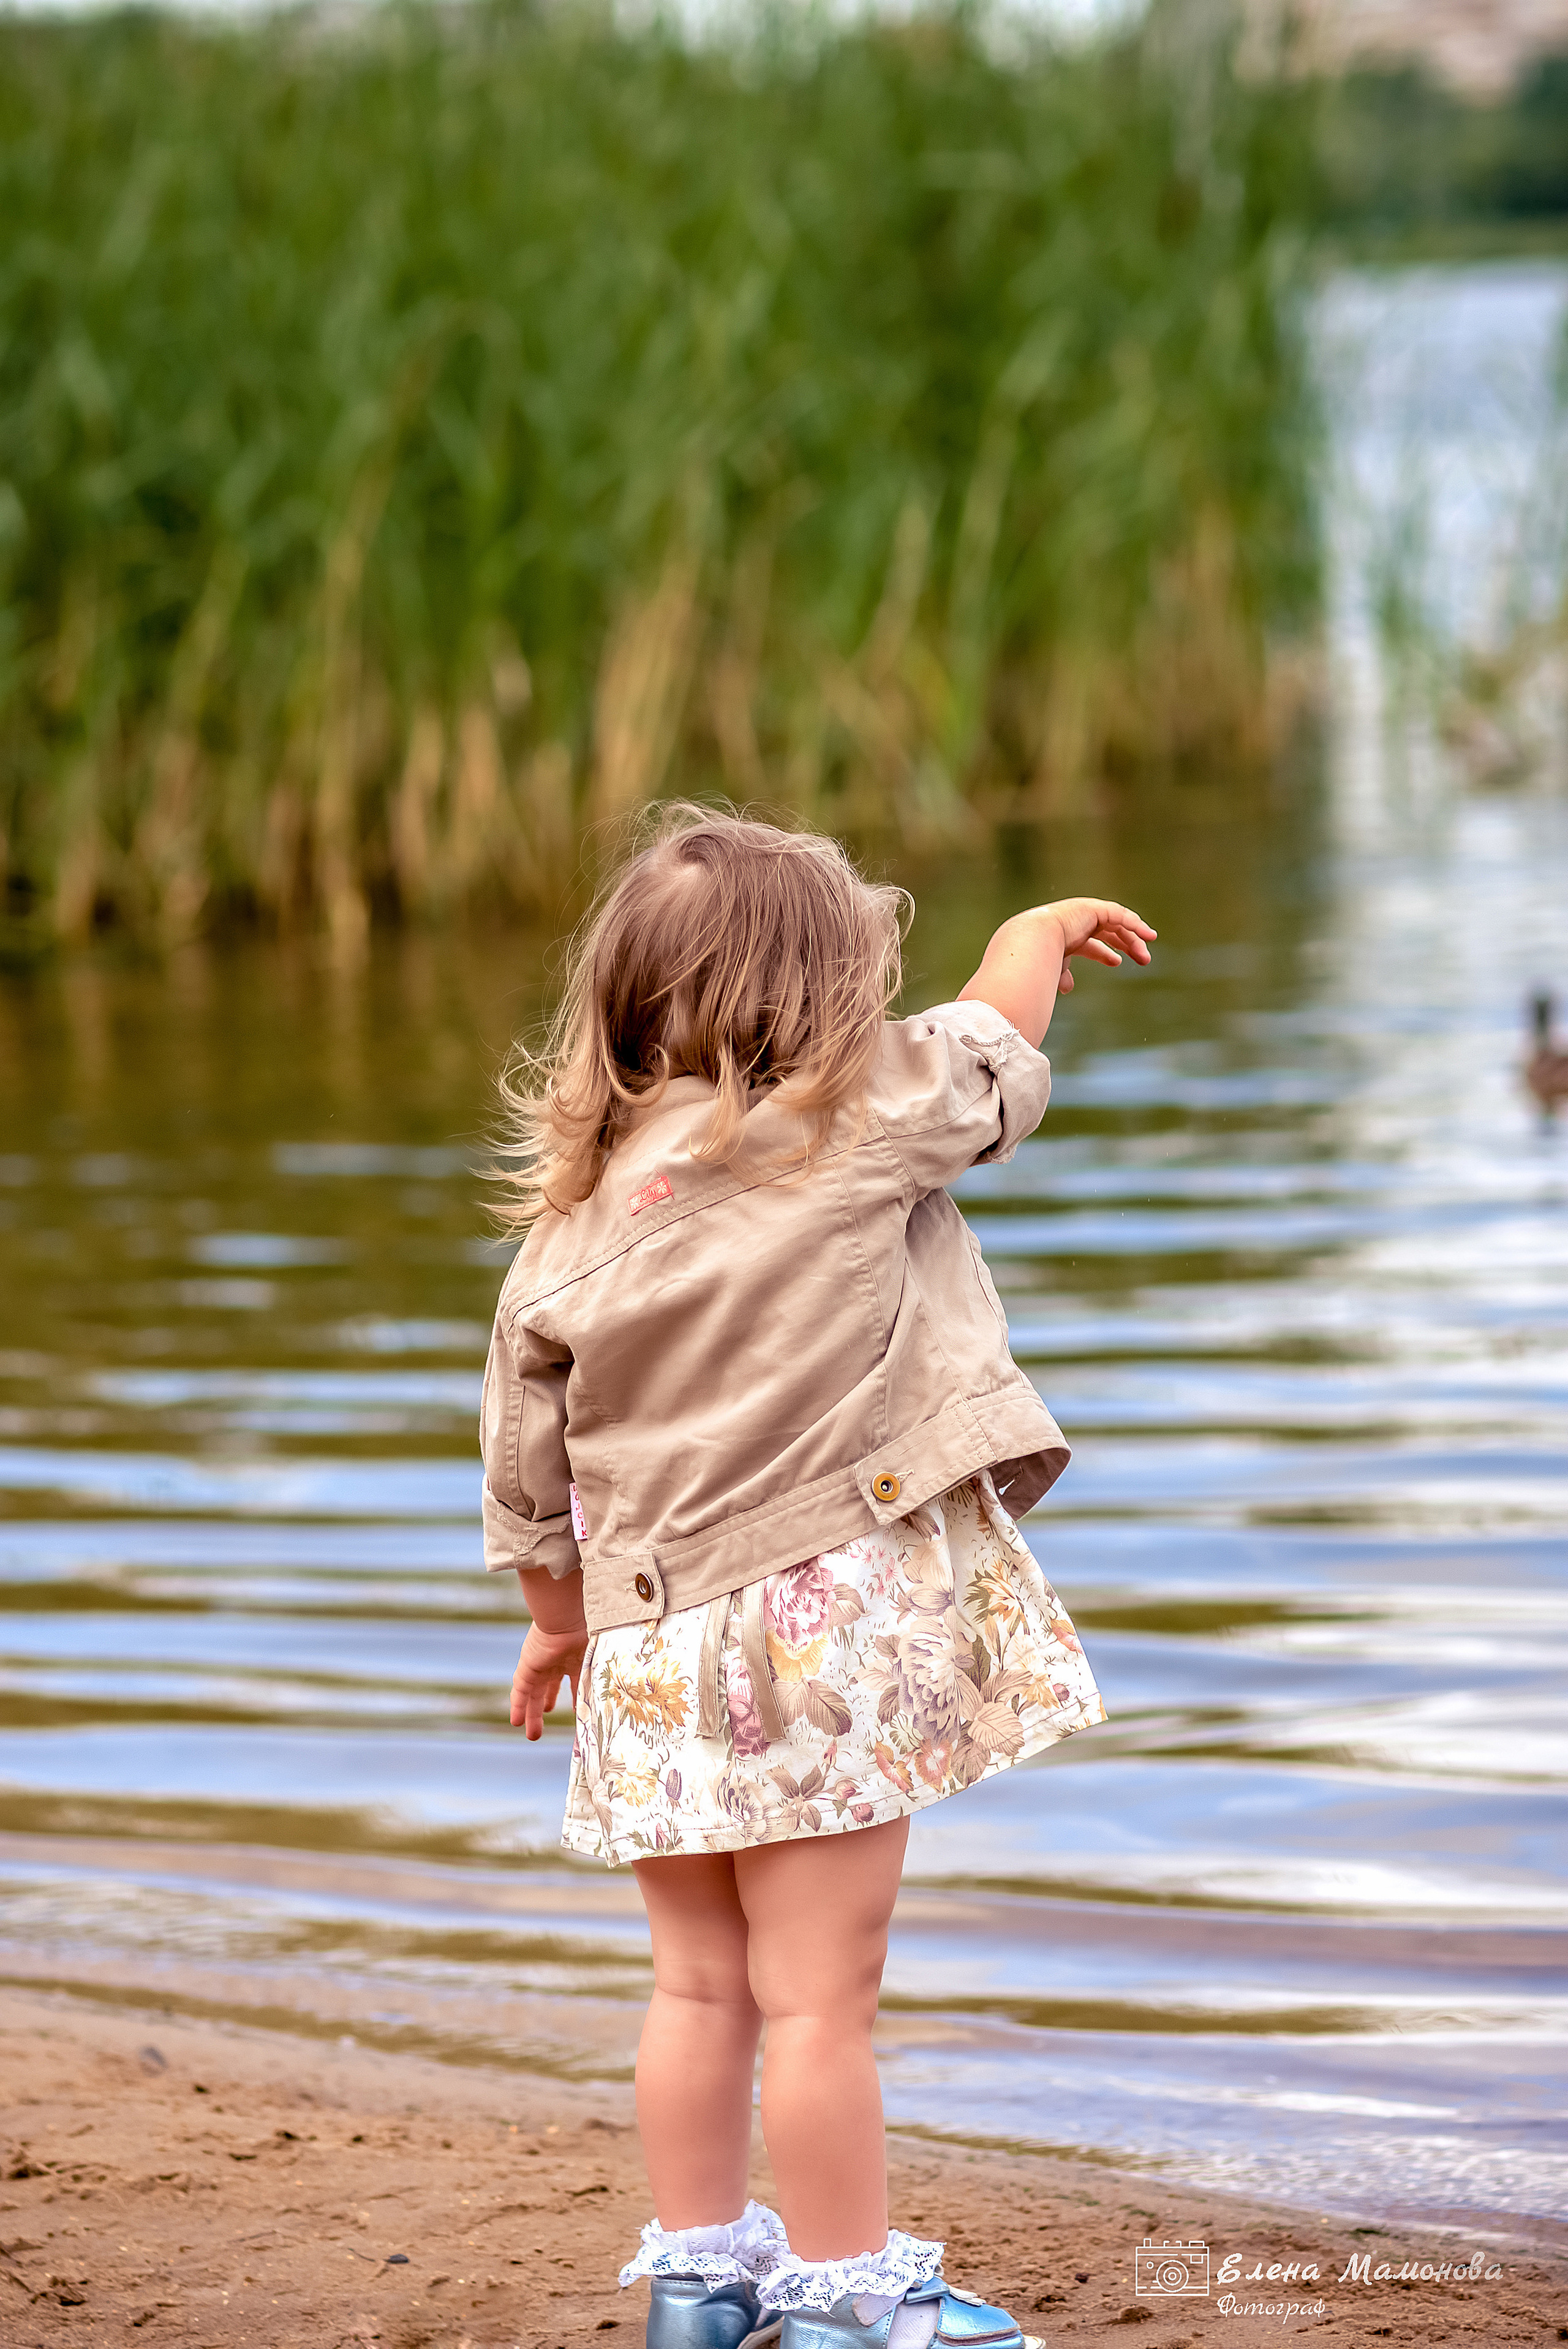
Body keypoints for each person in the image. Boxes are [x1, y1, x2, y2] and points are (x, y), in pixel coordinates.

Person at [481, 806, 1155, 2349]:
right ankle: (856, 2307)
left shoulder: (563, 1230)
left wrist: (551, 1627)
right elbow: (990, 1042)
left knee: (696, 1992)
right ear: (819, 1006)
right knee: (817, 2004)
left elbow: (523, 1466)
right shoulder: (855, 1122)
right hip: (815, 1634)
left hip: (649, 1655)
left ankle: (700, 2291)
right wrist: (1039, 930)